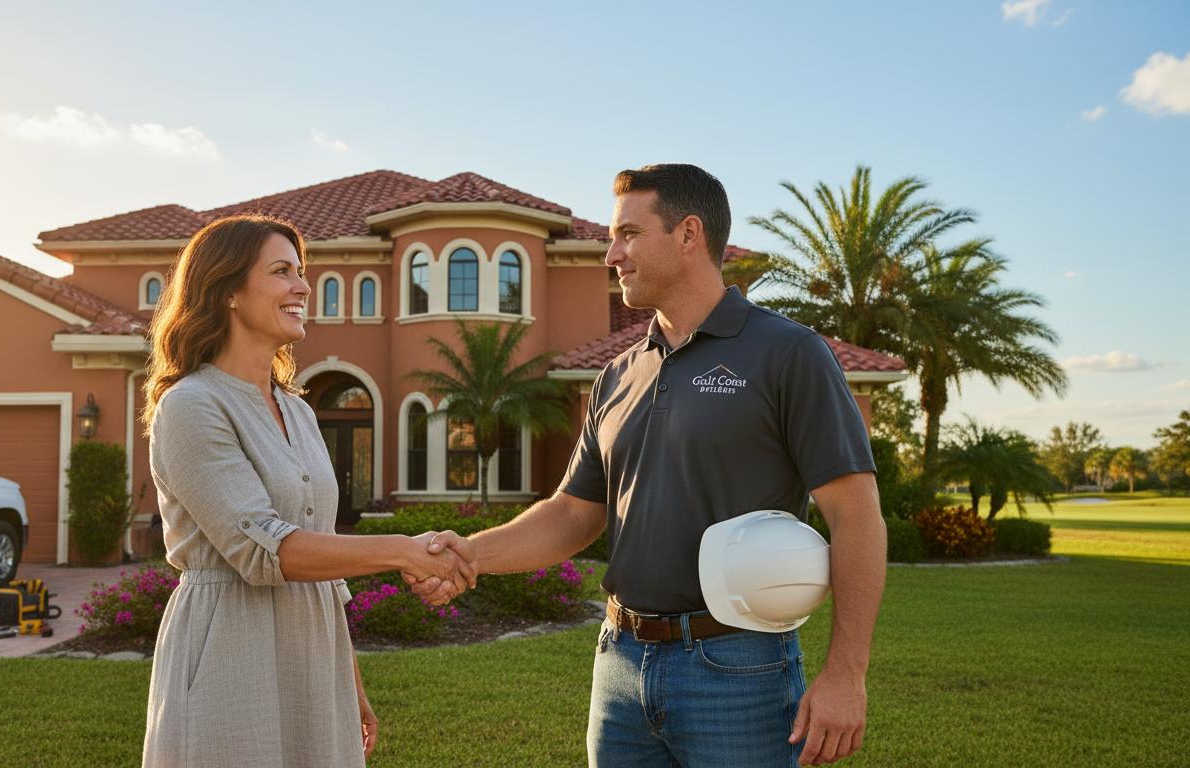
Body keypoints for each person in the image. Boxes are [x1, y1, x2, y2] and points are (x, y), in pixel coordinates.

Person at [414, 165, 887, 767]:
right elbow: (572, 513)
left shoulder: (788, 353)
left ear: (688, 234)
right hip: (619, 662)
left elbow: (856, 516)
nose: (612, 254)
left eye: (629, 235)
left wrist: (846, 673)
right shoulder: (618, 374)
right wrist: (470, 555)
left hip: (737, 667)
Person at [139, 214, 474, 767]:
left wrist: (349, 680)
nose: (303, 287)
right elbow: (263, 551)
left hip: (315, 655)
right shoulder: (191, 406)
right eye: (281, 272)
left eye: (300, 271)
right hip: (230, 650)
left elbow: (321, 553)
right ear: (227, 291)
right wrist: (404, 551)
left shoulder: (298, 410)